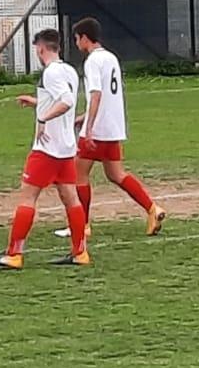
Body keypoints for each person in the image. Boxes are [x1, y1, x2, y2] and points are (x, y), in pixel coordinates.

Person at [0, 29, 90, 270]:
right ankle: (80, 252)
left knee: (28, 197)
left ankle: (14, 254)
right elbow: (62, 100)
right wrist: (36, 103)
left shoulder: (51, 72)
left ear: (41, 48)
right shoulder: (69, 71)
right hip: (65, 146)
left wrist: (42, 117)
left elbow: (66, 101)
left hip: (47, 148)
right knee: (70, 198)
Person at [58, 17, 166, 240]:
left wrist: (87, 128)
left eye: (77, 39)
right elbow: (108, 96)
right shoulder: (111, 58)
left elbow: (96, 94)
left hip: (97, 130)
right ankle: (152, 208)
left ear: (85, 38)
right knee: (116, 174)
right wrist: (84, 116)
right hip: (113, 127)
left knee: (78, 174)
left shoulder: (92, 62)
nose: (76, 43)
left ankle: (83, 225)